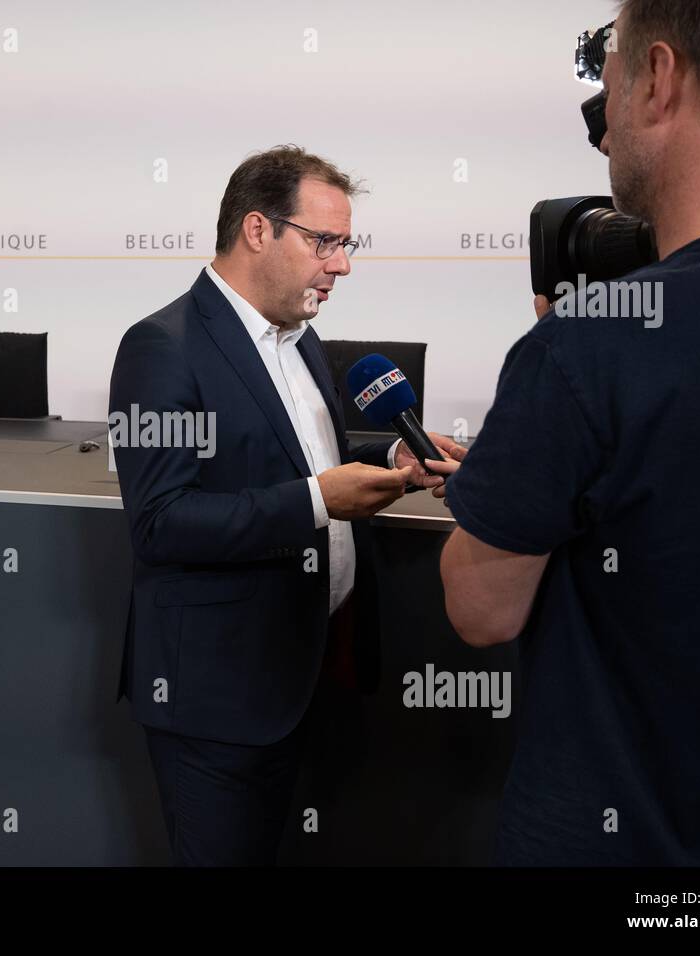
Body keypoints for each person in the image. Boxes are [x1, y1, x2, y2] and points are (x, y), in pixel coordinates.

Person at [429, 0, 700, 864]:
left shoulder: (590, 344)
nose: (601, 129)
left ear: (659, 79)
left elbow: (481, 608)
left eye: (606, 82)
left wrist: (519, 456)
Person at [109, 145, 461, 865]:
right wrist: (316, 500)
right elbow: (161, 523)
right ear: (258, 230)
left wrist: (388, 462)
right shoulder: (160, 348)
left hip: (302, 677)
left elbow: (303, 463)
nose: (342, 265)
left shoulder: (300, 340)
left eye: (346, 244)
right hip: (216, 702)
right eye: (325, 242)